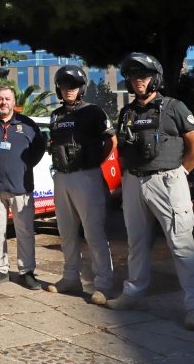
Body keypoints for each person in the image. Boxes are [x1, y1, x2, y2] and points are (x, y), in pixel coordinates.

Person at [107, 52, 194, 331]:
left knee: (181, 245)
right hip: (133, 182)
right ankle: (133, 293)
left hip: (167, 182)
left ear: (155, 78)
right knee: (136, 242)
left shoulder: (175, 107)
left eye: (144, 76)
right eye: (133, 76)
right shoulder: (127, 113)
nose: (138, 81)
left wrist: (179, 174)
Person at [45, 66, 116, 304]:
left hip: (87, 175)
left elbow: (110, 141)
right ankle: (70, 277)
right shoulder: (56, 115)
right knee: (66, 232)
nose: (69, 91)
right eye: (65, 87)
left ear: (81, 88)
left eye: (73, 86)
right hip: (62, 177)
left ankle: (104, 284)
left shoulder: (94, 111)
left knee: (93, 232)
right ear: (59, 90)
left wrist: (94, 163)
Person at [0, 86, 46, 290]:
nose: (3, 102)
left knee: (24, 231)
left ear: (14, 102)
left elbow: (39, 147)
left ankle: (27, 272)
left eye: (7, 99)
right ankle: (0, 269)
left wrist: (26, 165)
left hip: (21, 187)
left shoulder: (27, 124)